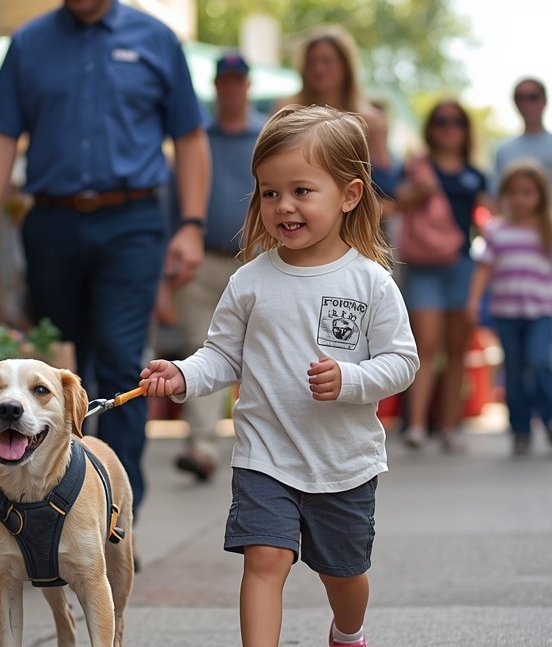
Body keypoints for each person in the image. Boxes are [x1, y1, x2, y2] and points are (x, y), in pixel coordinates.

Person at [139, 105, 419, 647]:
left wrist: (351, 379)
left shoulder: (370, 281)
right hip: (266, 454)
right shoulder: (249, 281)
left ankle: (348, 641)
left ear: (348, 195)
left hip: (343, 461)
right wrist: (182, 375)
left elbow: (402, 362)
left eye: (301, 191)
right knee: (264, 559)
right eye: (271, 192)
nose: (283, 206)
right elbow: (221, 356)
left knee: (344, 574)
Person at [0, 0, 210, 520]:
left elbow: (189, 136)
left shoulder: (156, 39)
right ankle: (47, 508)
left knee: (122, 363)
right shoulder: (29, 43)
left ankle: (116, 516)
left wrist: (190, 223)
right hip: (51, 223)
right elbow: (2, 136)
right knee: (53, 365)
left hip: (132, 222)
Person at [171, 50, 266, 483]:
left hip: (255, 259)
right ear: (216, 86)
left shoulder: (265, 134)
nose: (231, 88)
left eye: (238, 80)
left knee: (263, 351)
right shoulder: (195, 137)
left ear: (246, 86)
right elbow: (169, 203)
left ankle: (262, 444)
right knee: (200, 347)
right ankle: (203, 445)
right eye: (224, 80)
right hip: (200, 258)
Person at [467, 159, 552, 455]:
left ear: (540, 195)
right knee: (514, 370)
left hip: (540, 311)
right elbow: (484, 270)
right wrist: (474, 300)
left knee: (539, 361)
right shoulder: (497, 231)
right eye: (513, 192)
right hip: (507, 312)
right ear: (504, 195)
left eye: (527, 192)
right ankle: (521, 428)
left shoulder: (549, 232)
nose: (520, 199)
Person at [395, 100, 494, 451]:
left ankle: (450, 427)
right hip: (424, 268)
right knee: (425, 345)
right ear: (431, 128)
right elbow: (396, 202)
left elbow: (489, 221)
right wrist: (419, 190)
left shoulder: (475, 174)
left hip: (463, 266)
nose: (448, 128)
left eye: (455, 122)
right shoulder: (419, 168)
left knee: (457, 350)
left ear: (466, 128)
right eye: (440, 121)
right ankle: (417, 425)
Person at [494, 78, 552, 396]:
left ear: (544, 100)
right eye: (520, 97)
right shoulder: (505, 150)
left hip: (550, 248)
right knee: (516, 346)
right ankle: (523, 415)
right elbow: (496, 201)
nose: (527, 102)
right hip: (516, 258)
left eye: (533, 96)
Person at [275, 25, 396, 201]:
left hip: (355, 220)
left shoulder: (371, 121)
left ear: (346, 66)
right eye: (312, 62)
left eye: (327, 61)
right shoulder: (287, 113)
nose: (319, 69)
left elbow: (384, 189)